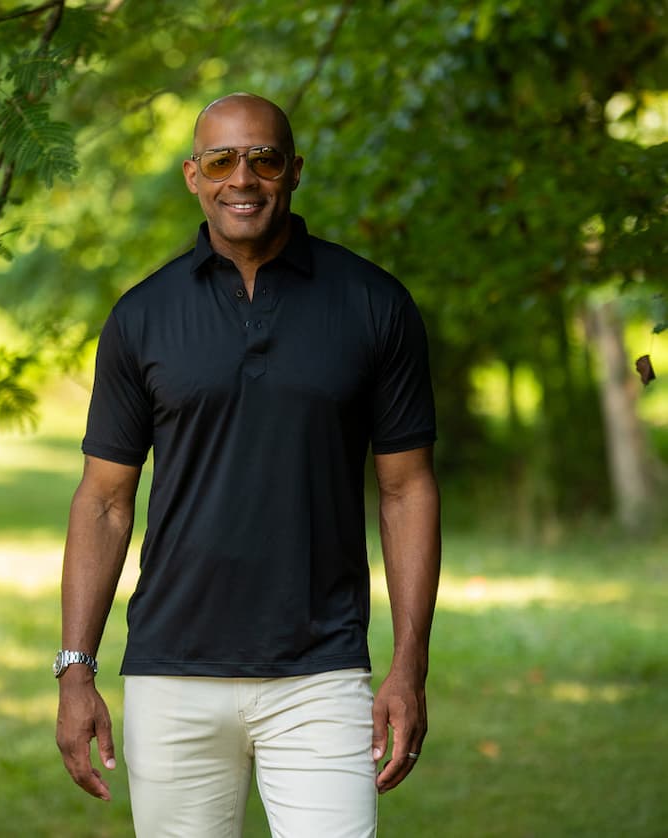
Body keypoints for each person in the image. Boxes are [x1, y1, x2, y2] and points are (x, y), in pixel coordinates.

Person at [55, 92, 441, 838]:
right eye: (222, 160)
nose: (243, 178)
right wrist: (77, 670)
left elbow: (406, 488)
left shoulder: (374, 304)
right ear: (192, 176)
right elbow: (103, 501)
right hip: (171, 673)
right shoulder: (142, 316)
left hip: (322, 673)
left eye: (263, 158)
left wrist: (408, 665)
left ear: (293, 171)